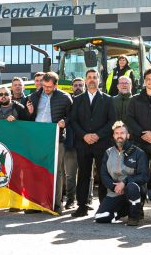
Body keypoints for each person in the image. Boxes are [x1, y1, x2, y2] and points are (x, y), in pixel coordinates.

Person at [70, 68, 115, 217]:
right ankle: (82, 206)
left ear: (99, 80)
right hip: (83, 144)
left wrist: (97, 135)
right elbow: (74, 121)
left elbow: (112, 121)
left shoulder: (108, 99)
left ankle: (103, 206)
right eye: (89, 77)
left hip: (102, 143)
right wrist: (84, 135)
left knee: (103, 176)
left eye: (94, 77)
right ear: (85, 80)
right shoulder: (77, 100)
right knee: (83, 174)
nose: (91, 80)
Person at [26, 72, 72, 213]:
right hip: (37, 139)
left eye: (49, 87)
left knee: (56, 172)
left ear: (56, 85)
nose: (46, 89)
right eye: (44, 86)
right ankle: (36, 204)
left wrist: (65, 121)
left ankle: (56, 204)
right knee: (36, 170)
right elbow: (28, 118)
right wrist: (29, 112)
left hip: (56, 139)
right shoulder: (34, 96)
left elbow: (73, 116)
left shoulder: (65, 98)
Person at [93, 122, 148, 224]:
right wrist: (114, 187)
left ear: (128, 135)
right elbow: (104, 174)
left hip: (133, 190)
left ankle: (134, 216)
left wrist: (124, 183)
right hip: (115, 191)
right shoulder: (108, 152)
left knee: (131, 187)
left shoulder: (138, 153)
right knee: (100, 217)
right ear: (113, 135)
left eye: (122, 133)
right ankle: (123, 211)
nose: (119, 136)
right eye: (116, 133)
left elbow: (143, 176)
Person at [63, 78, 85, 210]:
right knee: (70, 174)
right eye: (75, 85)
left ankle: (86, 200)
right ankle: (70, 200)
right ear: (72, 87)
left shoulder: (88, 101)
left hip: (86, 143)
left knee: (86, 174)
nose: (78, 87)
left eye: (80, 85)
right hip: (71, 143)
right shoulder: (68, 102)